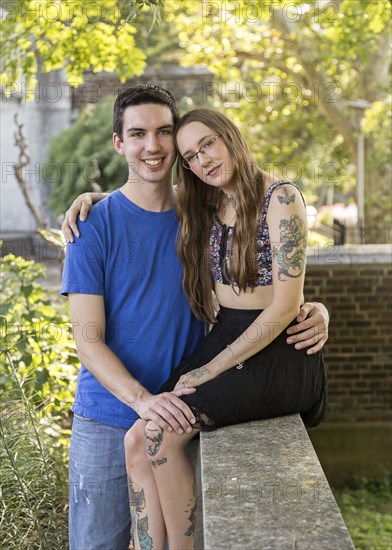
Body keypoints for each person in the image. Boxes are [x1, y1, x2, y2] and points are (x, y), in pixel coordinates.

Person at [61, 84, 329, 550]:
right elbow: (88, 340)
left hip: (189, 384)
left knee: (162, 471)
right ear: (119, 143)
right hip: (107, 412)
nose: (154, 146)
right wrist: (94, 197)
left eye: (165, 133)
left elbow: (274, 283)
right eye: (139, 134)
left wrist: (317, 307)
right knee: (96, 543)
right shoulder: (93, 225)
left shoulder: (197, 209)